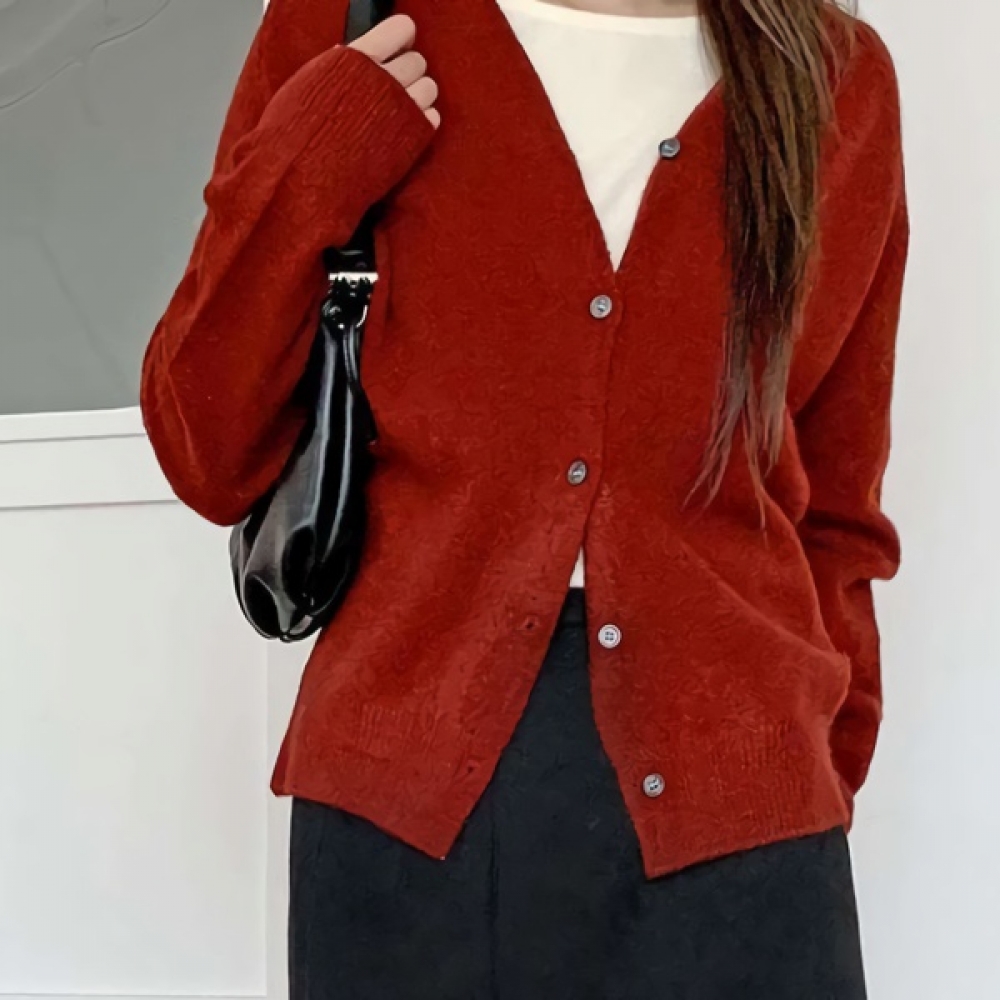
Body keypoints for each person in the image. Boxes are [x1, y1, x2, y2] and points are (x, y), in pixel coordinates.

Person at [139, 0, 909, 996]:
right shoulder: (359, 20)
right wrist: (316, 155)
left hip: (745, 828)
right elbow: (205, 448)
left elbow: (840, 500)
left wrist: (810, 761)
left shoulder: (836, 77)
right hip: (406, 818)